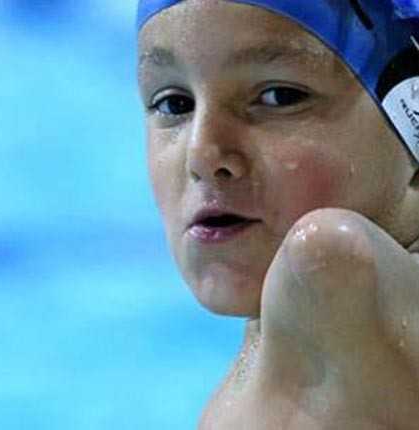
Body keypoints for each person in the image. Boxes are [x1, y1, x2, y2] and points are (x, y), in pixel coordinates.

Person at [137, 0, 419, 428]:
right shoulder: (286, 337)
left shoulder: (332, 271)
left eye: (279, 97)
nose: (202, 153)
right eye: (174, 104)